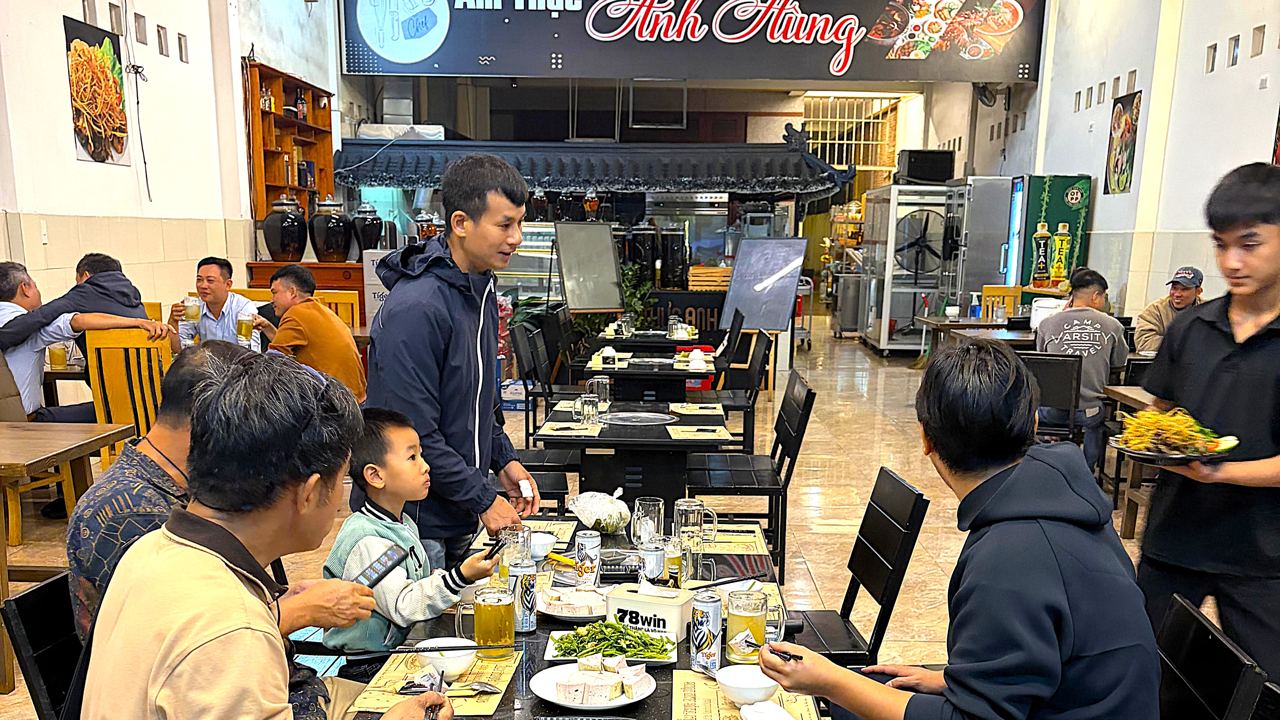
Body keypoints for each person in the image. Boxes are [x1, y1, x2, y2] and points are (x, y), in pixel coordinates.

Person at [758, 340, 1159, 720]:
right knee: (872, 685)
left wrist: (829, 680)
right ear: (1033, 421)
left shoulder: (1010, 558)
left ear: (926, 439)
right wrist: (954, 679)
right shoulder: (1067, 500)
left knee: (840, 693)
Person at [77, 353, 451, 720]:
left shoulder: (152, 549)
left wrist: (276, 607)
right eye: (341, 480)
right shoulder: (235, 632)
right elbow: (222, 644)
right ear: (308, 493)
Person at [364, 154, 540, 570]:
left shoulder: (475, 290)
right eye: (504, 225)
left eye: (520, 222)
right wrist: (482, 498)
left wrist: (504, 459)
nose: (516, 237)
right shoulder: (418, 308)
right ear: (460, 223)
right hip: (417, 522)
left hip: (458, 507)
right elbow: (414, 433)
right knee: (427, 633)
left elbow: (478, 399)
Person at [1138, 162, 1280, 676]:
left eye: (1250, 243)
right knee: (1141, 673)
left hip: (1263, 555)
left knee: (1266, 691)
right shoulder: (1191, 328)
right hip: (1175, 539)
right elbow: (1161, 413)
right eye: (1221, 245)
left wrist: (1219, 471)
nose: (1232, 261)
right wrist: (1163, 442)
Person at [323, 408, 499, 681]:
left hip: (395, 652)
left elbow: (408, 584)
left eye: (422, 455)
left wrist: (458, 581)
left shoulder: (400, 523)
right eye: (412, 457)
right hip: (371, 667)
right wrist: (459, 577)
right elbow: (403, 606)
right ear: (375, 476)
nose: (425, 465)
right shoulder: (371, 540)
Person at [0, 261, 169, 422]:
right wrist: (138, 322)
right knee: (112, 410)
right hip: (20, 425)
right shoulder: (35, 327)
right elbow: (78, 321)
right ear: (25, 288)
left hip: (12, 424)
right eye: (35, 285)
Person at [1034, 267, 1128, 471]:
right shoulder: (1113, 326)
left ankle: (1049, 465)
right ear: (1096, 296)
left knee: (1038, 415)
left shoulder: (1047, 324)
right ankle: (1086, 471)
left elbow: (1042, 360)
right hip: (1089, 411)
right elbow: (1119, 363)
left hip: (1052, 411)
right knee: (1097, 422)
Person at [255, 264, 366, 402]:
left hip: (335, 407)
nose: (271, 300)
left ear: (292, 292)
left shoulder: (295, 315)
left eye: (274, 292)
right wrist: (268, 328)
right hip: (355, 399)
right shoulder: (318, 310)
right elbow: (287, 350)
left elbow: (272, 362)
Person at [0, 252, 147, 356]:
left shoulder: (85, 293)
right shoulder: (133, 297)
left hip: (111, 390)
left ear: (86, 276)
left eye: (77, 282)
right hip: (150, 384)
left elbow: (41, 316)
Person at [167, 256, 260, 353]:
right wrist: (173, 322)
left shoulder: (244, 309)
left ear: (228, 285)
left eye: (210, 281)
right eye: (199, 280)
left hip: (238, 365)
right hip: (207, 365)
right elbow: (179, 350)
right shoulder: (195, 307)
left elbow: (252, 353)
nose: (203, 286)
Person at [1134, 265, 1204, 353]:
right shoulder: (1155, 310)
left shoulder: (1209, 311)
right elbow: (1144, 342)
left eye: (1184, 289)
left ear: (1198, 291)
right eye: (1174, 288)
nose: (1177, 294)